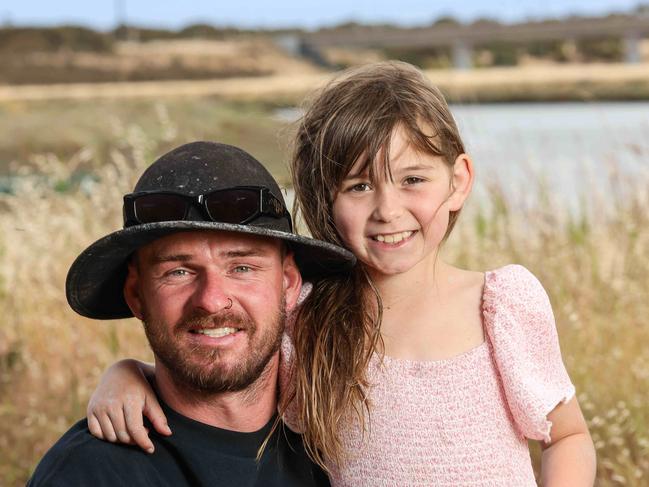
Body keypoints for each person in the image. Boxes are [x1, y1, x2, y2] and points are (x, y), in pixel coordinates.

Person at [86, 62, 597, 485]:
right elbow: (223, 373)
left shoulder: (502, 304)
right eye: (357, 187)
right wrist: (128, 374)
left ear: (458, 181)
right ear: (322, 200)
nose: (388, 210)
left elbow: (567, 436)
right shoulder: (307, 317)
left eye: (413, 179)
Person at [28, 141, 355, 486]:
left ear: (288, 283)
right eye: (178, 272)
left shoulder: (344, 444)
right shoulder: (89, 474)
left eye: (242, 267)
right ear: (136, 295)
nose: (212, 301)